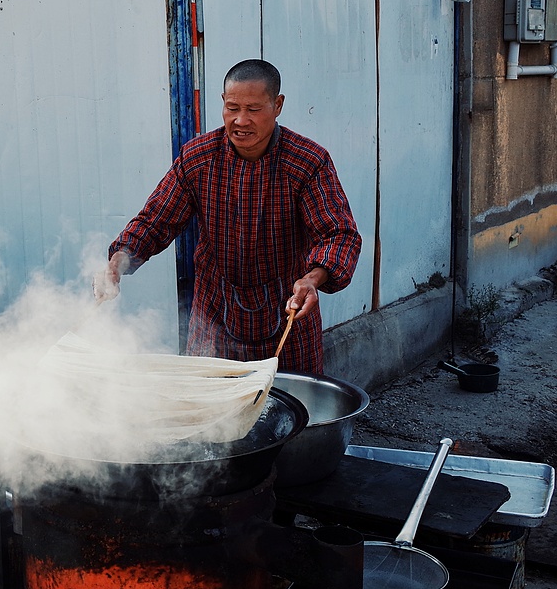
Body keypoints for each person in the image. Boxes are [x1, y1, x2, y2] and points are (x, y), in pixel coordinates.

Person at [97, 59, 362, 377]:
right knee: (206, 403)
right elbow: (156, 221)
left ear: (277, 105)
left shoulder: (307, 161)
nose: (241, 120)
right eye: (232, 108)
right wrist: (119, 261)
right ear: (223, 102)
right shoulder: (198, 157)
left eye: (253, 109)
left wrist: (312, 280)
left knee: (289, 403)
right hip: (214, 317)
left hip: (288, 315)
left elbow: (339, 234)